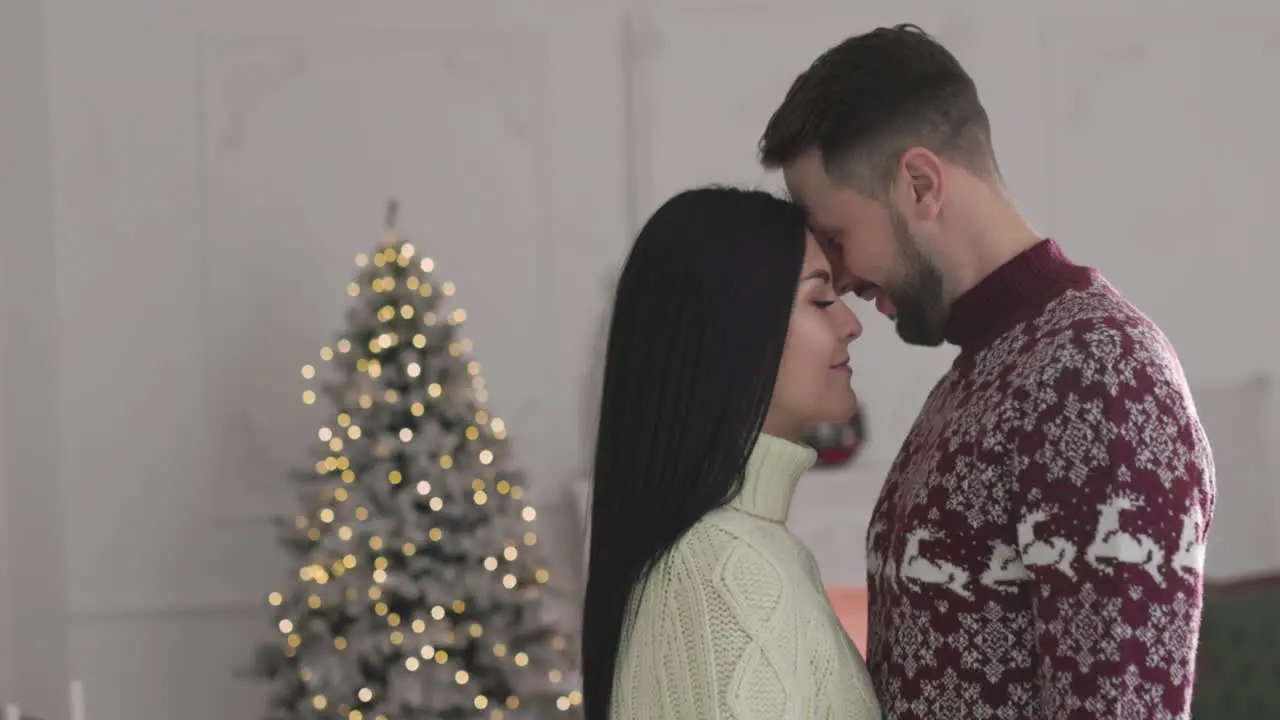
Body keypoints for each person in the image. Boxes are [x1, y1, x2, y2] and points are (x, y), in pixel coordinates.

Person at [758, 23, 1215, 720]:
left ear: (919, 183)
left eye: (840, 237)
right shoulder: (988, 368)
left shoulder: (1098, 375)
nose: (841, 277)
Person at [581, 186, 881, 720]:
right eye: (820, 300)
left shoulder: (746, 548)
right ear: (734, 327)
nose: (851, 325)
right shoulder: (728, 568)